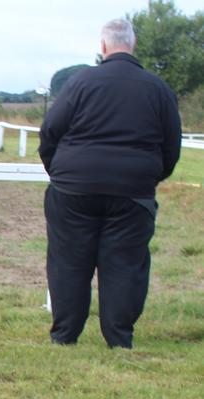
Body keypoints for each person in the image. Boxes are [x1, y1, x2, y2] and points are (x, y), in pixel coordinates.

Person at [39, 18, 181, 349]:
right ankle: (119, 338)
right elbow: (171, 147)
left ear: (103, 47)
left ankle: (65, 336)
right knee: (125, 262)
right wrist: (149, 178)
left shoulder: (80, 82)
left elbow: (50, 131)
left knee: (69, 259)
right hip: (133, 191)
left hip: (74, 187)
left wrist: (58, 171)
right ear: (132, 45)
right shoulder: (158, 89)